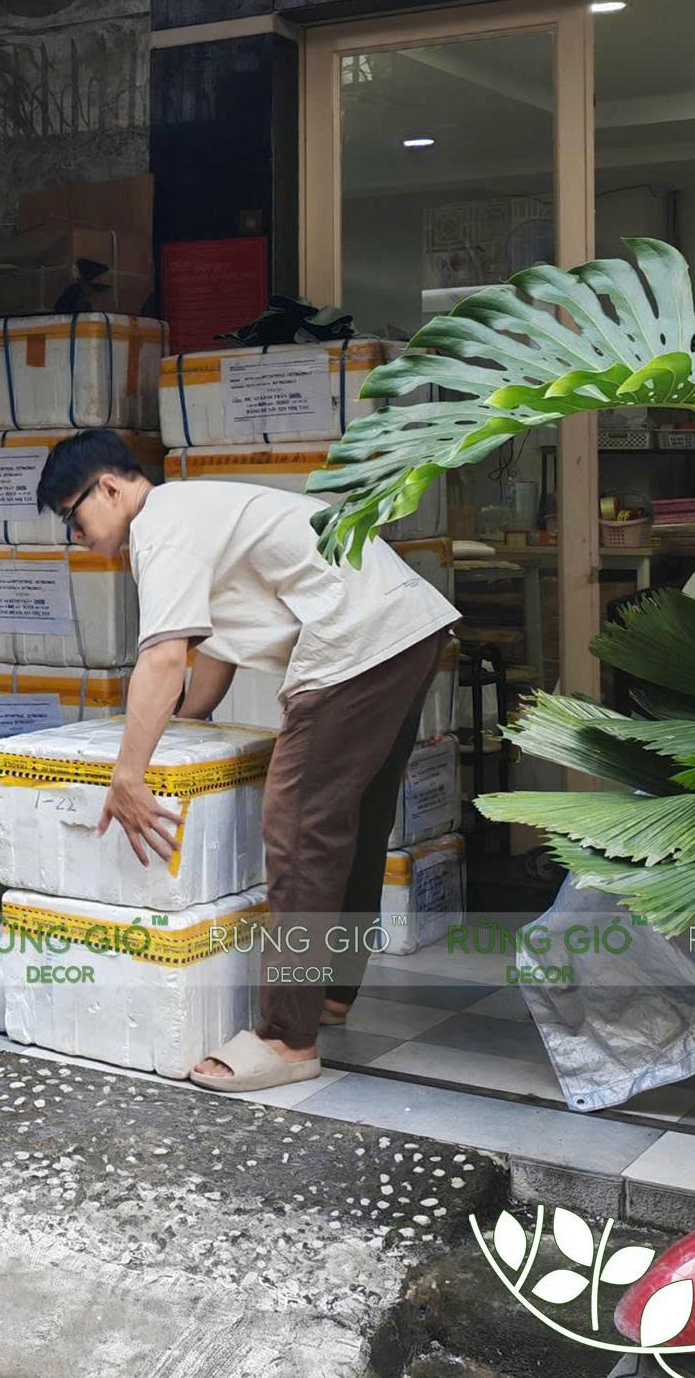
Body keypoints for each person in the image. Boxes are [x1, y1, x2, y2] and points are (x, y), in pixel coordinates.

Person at [34, 427, 458, 1094]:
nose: (77, 538)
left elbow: (164, 656)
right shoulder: (193, 512)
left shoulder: (160, 527)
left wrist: (128, 774)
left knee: (298, 827)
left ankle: (287, 1038)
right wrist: (186, 729)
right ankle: (330, 992)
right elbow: (212, 652)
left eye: (73, 519)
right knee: (353, 818)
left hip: (356, 640)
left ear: (109, 488)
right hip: (404, 627)